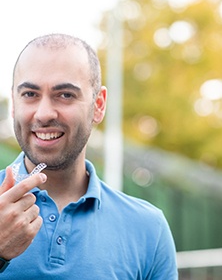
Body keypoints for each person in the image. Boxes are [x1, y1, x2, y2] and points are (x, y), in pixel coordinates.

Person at [0, 33, 178, 279]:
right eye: (30, 94)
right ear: (14, 103)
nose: (43, 114)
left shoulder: (149, 228)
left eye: (65, 95)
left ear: (99, 105)